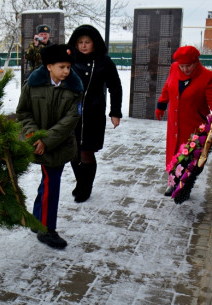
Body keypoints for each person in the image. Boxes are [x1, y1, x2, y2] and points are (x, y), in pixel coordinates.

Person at [16, 44, 83, 249]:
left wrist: (47, 140)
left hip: (59, 145)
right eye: (62, 66)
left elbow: (70, 120)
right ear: (49, 66)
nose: (66, 71)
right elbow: (23, 112)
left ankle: (42, 224)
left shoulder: (74, 88)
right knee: (49, 183)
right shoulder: (33, 84)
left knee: (50, 182)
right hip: (37, 142)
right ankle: (44, 228)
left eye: (68, 67)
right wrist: (34, 136)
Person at [155, 45, 212, 196]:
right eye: (182, 66)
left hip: (193, 126)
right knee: (173, 154)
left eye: (189, 66)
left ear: (196, 61)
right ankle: (172, 182)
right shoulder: (174, 68)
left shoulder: (207, 77)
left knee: (188, 157)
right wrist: (161, 105)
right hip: (174, 124)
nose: (185, 69)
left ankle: (183, 187)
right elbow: (167, 87)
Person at [67, 24, 123, 203]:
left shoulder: (104, 62)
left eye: (87, 42)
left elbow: (115, 87)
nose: (83, 45)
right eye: (80, 42)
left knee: (86, 152)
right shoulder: (69, 60)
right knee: (73, 152)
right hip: (71, 114)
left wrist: (115, 112)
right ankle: (80, 182)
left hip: (93, 114)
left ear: (94, 43)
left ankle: (86, 187)